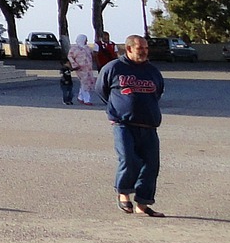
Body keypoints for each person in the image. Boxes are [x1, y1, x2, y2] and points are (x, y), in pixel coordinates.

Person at [99, 35, 165, 216]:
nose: (144, 52)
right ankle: (123, 193)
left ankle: (142, 205)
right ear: (128, 49)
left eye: (146, 48)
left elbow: (158, 92)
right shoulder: (113, 68)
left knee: (151, 165)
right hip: (123, 124)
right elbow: (101, 90)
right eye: (140, 48)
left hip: (149, 125)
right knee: (128, 159)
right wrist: (118, 107)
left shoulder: (152, 71)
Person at [69, 35, 97, 105]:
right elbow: (70, 57)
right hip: (80, 69)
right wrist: (74, 65)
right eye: (85, 40)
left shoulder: (87, 48)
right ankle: (87, 99)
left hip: (88, 69)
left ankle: (80, 97)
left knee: (86, 82)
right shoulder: (74, 49)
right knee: (85, 83)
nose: (86, 41)